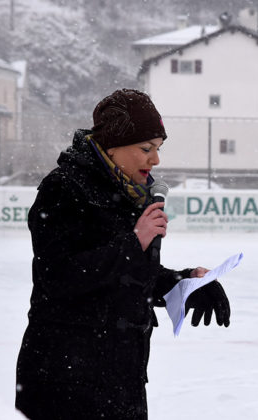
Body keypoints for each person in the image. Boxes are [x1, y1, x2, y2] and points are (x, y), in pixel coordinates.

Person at [15, 88, 231, 420]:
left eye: (158, 149)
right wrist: (134, 243)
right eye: (146, 149)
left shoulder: (133, 193)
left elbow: (129, 276)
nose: (155, 160)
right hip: (64, 380)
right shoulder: (64, 188)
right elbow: (58, 277)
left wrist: (183, 282)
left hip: (122, 379)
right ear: (113, 146)